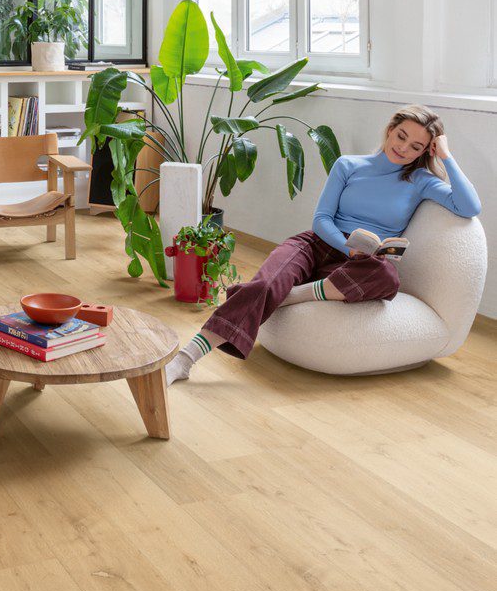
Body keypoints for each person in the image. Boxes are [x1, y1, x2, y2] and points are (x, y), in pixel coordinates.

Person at [165, 105, 482, 384]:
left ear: (425, 151)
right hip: (318, 244)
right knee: (265, 283)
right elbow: (321, 219)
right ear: (390, 129)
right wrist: (348, 248)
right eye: (401, 136)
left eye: (416, 146)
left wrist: (446, 156)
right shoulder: (349, 165)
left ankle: (286, 295)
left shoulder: (421, 181)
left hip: (363, 262)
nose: (403, 148)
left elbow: (469, 206)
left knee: (387, 277)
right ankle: (185, 359)